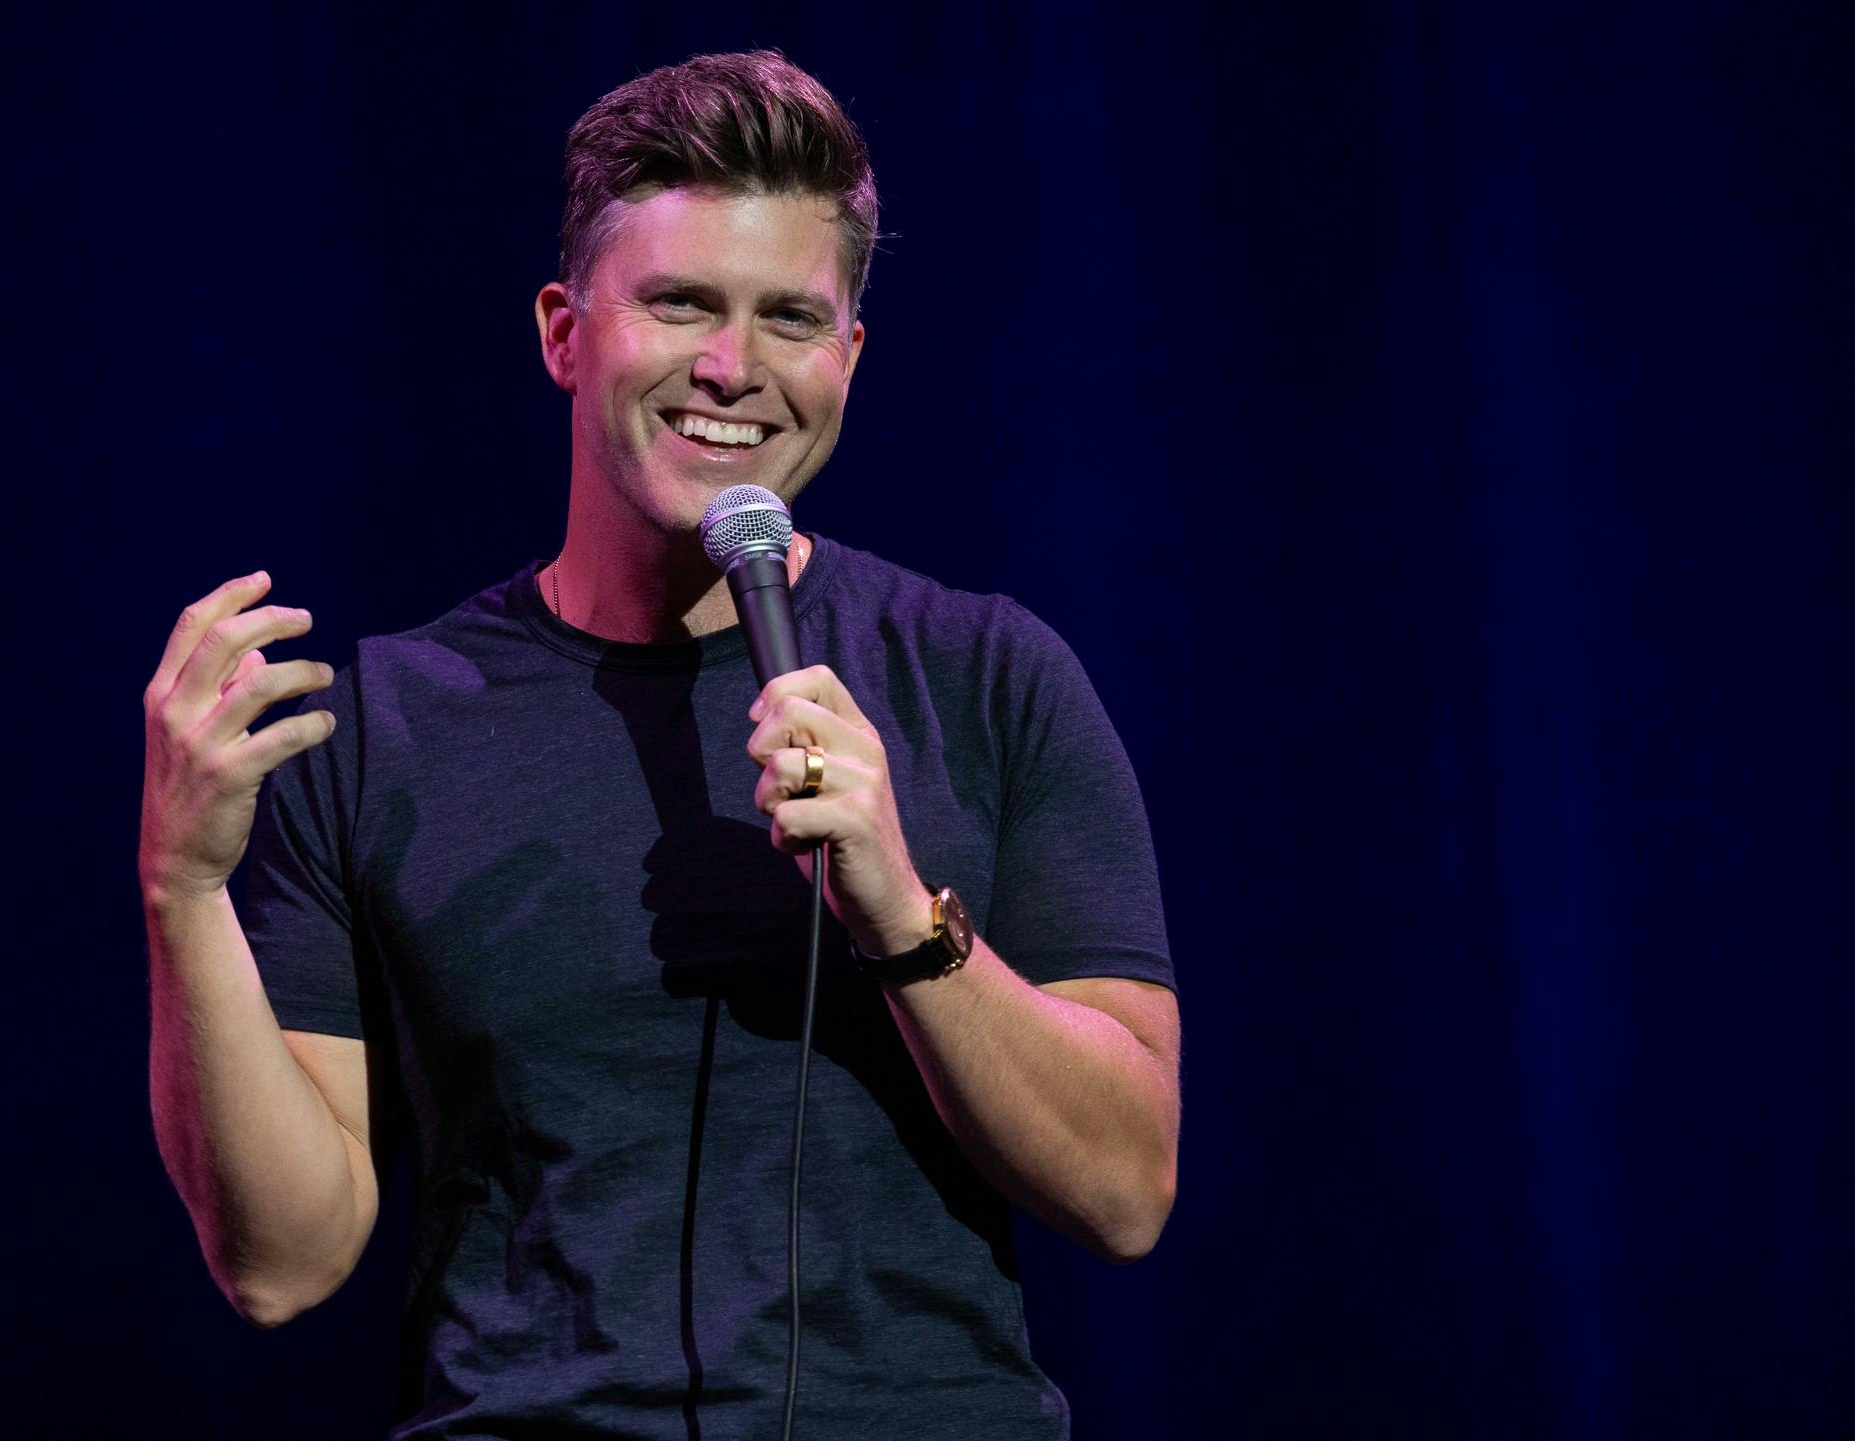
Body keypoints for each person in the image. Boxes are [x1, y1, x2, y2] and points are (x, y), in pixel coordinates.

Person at [140, 50, 1179, 1439]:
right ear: (565, 332)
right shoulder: (385, 727)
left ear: (849, 358)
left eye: (790, 318)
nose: (732, 369)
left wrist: (901, 915)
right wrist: (183, 890)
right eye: (680, 303)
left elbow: (1125, 1190)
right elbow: (283, 1263)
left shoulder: (989, 679)